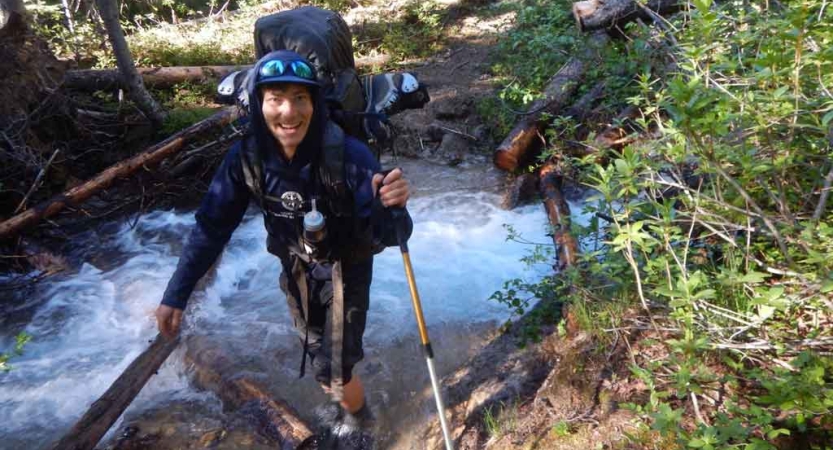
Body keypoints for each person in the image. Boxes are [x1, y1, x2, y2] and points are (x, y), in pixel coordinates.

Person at [154, 50, 412, 433]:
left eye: (300, 98)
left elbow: (392, 235)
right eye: (275, 99)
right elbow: (211, 227)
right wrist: (177, 294)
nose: (288, 113)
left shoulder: (350, 156)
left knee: (333, 367)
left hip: (347, 268)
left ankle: (361, 424)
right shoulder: (247, 160)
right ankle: (344, 404)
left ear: (315, 103)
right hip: (295, 268)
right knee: (314, 349)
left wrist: (393, 205)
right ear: (259, 104)